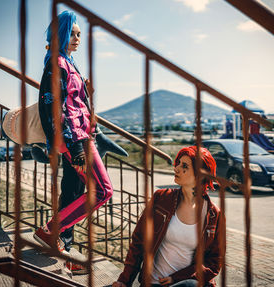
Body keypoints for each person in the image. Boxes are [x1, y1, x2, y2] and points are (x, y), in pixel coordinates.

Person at [33, 11, 113, 274]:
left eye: (80, 34)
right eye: (74, 34)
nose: (78, 38)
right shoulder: (57, 63)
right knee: (101, 191)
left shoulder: (67, 62)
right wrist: (71, 143)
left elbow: (73, 103)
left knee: (78, 191)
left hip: (80, 137)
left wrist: (87, 94)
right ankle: (51, 232)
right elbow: (53, 106)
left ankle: (58, 241)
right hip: (75, 141)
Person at [113, 146, 225, 287]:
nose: (176, 168)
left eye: (184, 166)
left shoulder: (214, 215)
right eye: (177, 163)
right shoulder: (161, 198)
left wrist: (177, 278)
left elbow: (214, 263)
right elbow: (138, 241)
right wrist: (124, 280)